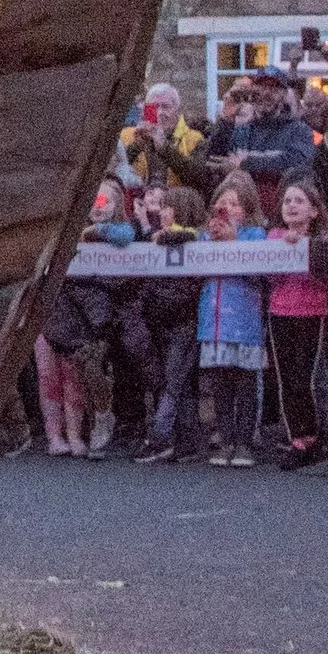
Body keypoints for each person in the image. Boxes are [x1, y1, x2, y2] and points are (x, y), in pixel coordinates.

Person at [39, 183, 131, 456]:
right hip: (64, 309)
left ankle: (97, 424)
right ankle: (61, 435)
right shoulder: (70, 227)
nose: (98, 205)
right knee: (57, 374)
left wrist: (94, 231)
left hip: (99, 316)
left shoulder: (116, 229)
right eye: (94, 199)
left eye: (105, 200)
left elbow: (125, 235)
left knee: (89, 373)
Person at [195, 172, 270, 466]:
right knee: (221, 383)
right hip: (213, 319)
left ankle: (244, 442)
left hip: (244, 319)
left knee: (245, 382)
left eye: (235, 204)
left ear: (247, 209)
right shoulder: (206, 234)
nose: (227, 208)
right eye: (222, 203)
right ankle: (225, 440)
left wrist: (233, 240)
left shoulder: (255, 234)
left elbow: (259, 272)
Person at [128, 187, 206, 463]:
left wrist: (167, 235)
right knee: (177, 383)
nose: (162, 211)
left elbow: (189, 235)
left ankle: (159, 437)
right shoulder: (155, 239)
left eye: (167, 206)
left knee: (173, 381)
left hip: (183, 321)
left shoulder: (191, 238)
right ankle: (190, 440)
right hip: (159, 319)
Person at [268, 176, 328, 471]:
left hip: (310, 312)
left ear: (314, 211)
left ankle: (313, 435)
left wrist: (304, 249)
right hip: (280, 311)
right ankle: (298, 438)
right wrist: (286, 251)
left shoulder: (323, 241)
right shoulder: (273, 238)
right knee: (286, 379)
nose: (291, 205)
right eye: (287, 201)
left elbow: (324, 279)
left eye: (299, 201)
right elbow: (271, 278)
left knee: (304, 377)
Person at [211, 72, 317, 219]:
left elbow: (298, 164)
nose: (266, 93)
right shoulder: (242, 131)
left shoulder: (299, 130)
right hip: (245, 221)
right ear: (253, 91)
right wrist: (226, 119)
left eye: (273, 88)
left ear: (284, 94)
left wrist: (246, 164)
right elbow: (213, 161)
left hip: (283, 219)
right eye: (261, 87)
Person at [120, 84, 209, 195]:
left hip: (174, 203)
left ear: (177, 110)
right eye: (154, 107)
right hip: (135, 201)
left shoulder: (194, 138)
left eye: (165, 107)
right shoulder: (126, 135)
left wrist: (164, 148)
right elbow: (114, 170)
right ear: (145, 110)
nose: (160, 112)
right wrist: (138, 144)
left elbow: (198, 178)